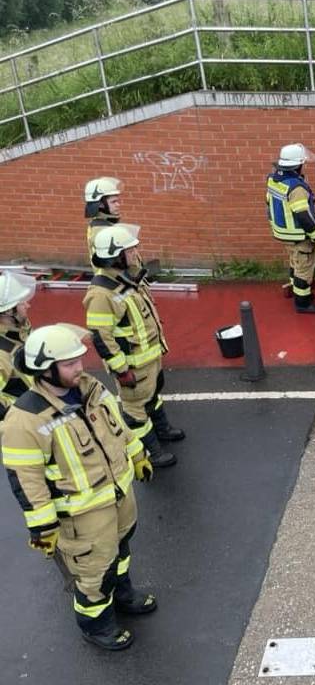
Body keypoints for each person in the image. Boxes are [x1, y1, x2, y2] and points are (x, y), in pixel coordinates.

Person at [0, 323, 156, 650]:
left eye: (79, 360)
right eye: (70, 364)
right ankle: (96, 624)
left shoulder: (90, 389)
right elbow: (26, 479)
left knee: (120, 549)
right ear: (46, 370)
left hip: (117, 496)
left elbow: (117, 427)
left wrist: (137, 452)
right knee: (93, 572)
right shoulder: (25, 419)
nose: (79, 367)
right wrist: (43, 526)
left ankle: (123, 595)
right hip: (81, 514)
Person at [83, 224, 182, 468]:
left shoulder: (128, 278)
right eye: (130, 249)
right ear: (116, 256)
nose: (136, 252)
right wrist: (121, 369)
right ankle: (152, 452)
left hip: (150, 359)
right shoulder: (101, 294)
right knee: (135, 410)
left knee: (152, 396)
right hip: (133, 366)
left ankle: (162, 428)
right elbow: (100, 337)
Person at [265, 143, 315, 314]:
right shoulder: (296, 187)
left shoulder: (274, 179)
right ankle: (303, 302)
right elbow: (303, 216)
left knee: (295, 261)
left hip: (284, 233)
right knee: (304, 268)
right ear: (298, 165)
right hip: (299, 236)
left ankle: (295, 289)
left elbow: (269, 203)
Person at [0, 271, 36, 420]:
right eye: (22, 302)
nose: (28, 305)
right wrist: (22, 409)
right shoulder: (2, 353)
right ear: (9, 311)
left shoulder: (20, 331)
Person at [84, 177, 123, 266]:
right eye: (113, 202)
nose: (118, 205)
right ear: (101, 204)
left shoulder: (106, 222)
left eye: (118, 201)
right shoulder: (100, 229)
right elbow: (111, 263)